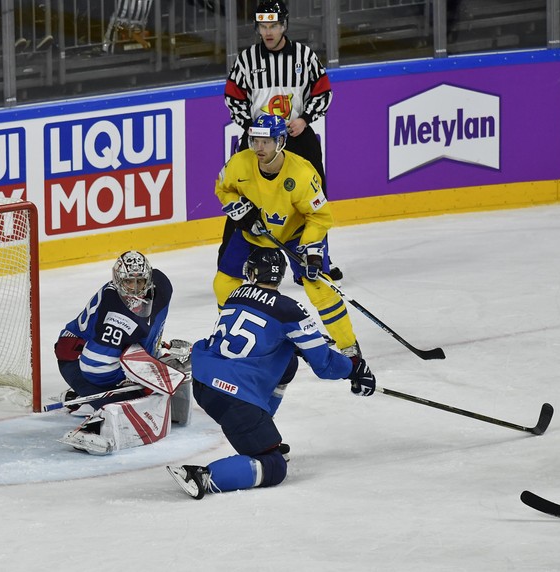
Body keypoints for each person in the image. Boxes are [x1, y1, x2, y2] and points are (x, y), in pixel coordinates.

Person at [167, 247, 376, 499]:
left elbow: (261, 334)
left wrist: (296, 345)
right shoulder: (290, 310)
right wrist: (354, 367)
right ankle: (202, 476)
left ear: (252, 273)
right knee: (274, 467)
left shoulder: (236, 294)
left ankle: (262, 427)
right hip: (234, 397)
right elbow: (325, 366)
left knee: (288, 362)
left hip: (203, 380)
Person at [213, 112, 364, 363]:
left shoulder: (303, 174)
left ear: (280, 141)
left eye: (266, 142)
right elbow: (223, 188)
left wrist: (312, 251)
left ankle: (348, 346)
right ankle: (229, 332)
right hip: (254, 231)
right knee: (224, 283)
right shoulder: (240, 163)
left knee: (319, 287)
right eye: (255, 141)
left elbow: (320, 217)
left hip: (296, 234)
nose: (259, 148)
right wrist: (242, 212)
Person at [221, 0, 343, 281]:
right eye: (263, 26)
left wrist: (305, 118)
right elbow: (233, 97)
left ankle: (315, 260)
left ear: (284, 25)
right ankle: (232, 264)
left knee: (313, 200)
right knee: (243, 197)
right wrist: (252, 128)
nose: (268, 32)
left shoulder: (304, 56)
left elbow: (322, 90)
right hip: (259, 142)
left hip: (297, 137)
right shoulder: (247, 60)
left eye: (273, 25)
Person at [53, 250, 191, 454]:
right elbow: (93, 368)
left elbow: (147, 329)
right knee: (131, 397)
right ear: (118, 281)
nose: (135, 289)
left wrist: (152, 356)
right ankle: (89, 403)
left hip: (111, 352)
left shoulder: (162, 286)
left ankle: (82, 398)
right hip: (78, 359)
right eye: (129, 282)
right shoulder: (114, 316)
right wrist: (135, 382)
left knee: (178, 367)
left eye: (140, 282)